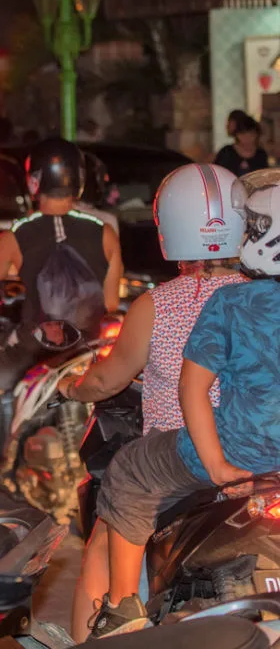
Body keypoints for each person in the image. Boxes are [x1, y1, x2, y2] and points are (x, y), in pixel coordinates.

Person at [85, 167, 280, 638]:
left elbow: (179, 386)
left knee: (121, 488)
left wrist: (214, 463)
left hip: (225, 455)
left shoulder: (178, 304)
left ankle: (118, 611)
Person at [0, 137, 123, 527]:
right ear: (80, 181)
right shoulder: (105, 233)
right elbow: (109, 301)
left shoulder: (16, 236)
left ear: (34, 182)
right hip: (88, 345)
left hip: (36, 344)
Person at [214, 111, 269, 176]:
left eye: (251, 134)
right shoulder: (226, 152)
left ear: (256, 135)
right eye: (243, 134)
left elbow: (265, 177)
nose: (247, 138)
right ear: (237, 135)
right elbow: (216, 173)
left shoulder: (261, 154)